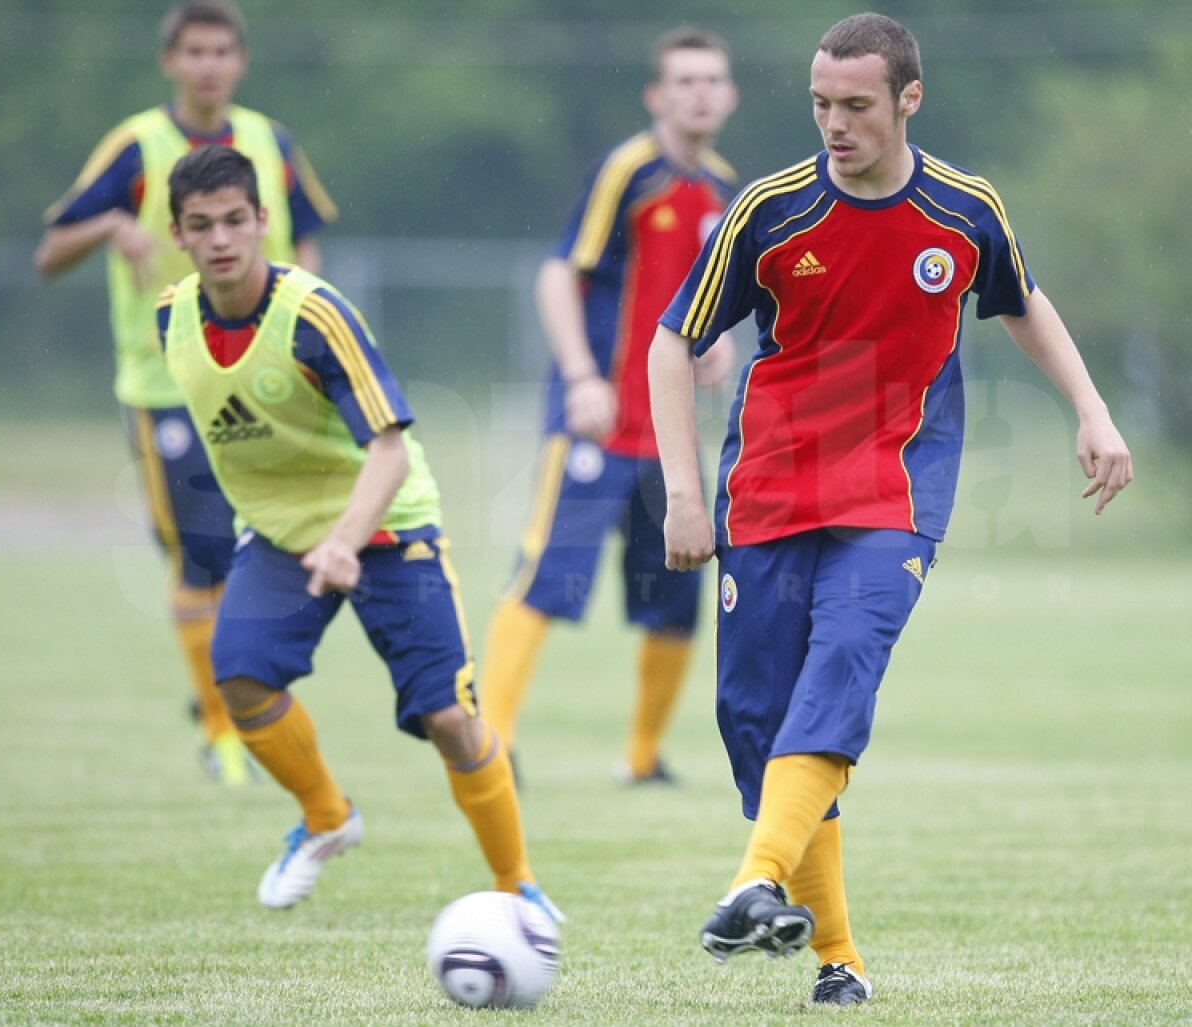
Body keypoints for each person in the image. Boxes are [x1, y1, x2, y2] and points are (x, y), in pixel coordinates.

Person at [649, 12, 1132, 1006]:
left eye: (857, 106)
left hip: (893, 486)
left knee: (842, 666)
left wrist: (1092, 410)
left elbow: (1021, 300)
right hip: (771, 484)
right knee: (755, 718)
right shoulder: (768, 211)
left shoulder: (963, 208)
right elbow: (673, 342)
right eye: (822, 104)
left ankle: (753, 880)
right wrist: (685, 494)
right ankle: (838, 957)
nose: (835, 124)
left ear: (909, 100)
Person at [156, 142, 561, 916]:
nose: (220, 240)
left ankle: (520, 887)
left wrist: (346, 538)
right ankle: (326, 817)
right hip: (281, 537)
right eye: (201, 225)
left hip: (390, 526)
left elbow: (388, 447)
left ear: (263, 221)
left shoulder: (313, 314)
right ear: (177, 233)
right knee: (238, 674)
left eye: (235, 220)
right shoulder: (172, 317)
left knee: (449, 717)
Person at [34, 0, 336, 785]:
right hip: (166, 382)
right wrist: (111, 228)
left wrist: (316, 321)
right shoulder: (137, 145)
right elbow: (51, 249)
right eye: (194, 51)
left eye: (222, 51)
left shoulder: (270, 141)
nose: (208, 65)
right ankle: (222, 728)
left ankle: (246, 698)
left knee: (263, 543)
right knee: (199, 557)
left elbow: (305, 236)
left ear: (239, 62)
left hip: (268, 379)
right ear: (170, 60)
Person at [479, 27, 740, 784]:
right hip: (595, 421)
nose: (699, 92)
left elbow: (708, 300)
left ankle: (643, 757)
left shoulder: (724, 190)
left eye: (711, 80)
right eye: (684, 80)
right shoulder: (628, 172)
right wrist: (581, 375)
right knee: (547, 578)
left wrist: (717, 342)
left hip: (669, 434)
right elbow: (558, 274)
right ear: (657, 96)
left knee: (676, 595)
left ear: (730, 95)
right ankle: (490, 747)